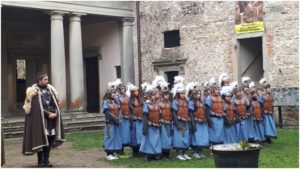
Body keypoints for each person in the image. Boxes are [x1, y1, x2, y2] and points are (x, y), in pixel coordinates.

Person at [22, 72, 65, 167]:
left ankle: (47, 160)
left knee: (49, 140)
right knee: (40, 140)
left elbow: (54, 103)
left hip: (50, 120)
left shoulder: (50, 90)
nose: (47, 81)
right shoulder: (33, 92)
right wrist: (48, 113)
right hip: (40, 121)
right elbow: (36, 108)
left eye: (47, 79)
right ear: (39, 80)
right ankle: (40, 161)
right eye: (45, 79)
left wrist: (54, 112)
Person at [139, 85, 162, 161]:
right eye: (152, 95)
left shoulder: (158, 104)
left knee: (156, 141)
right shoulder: (147, 104)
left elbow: (160, 114)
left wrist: (160, 121)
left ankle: (154, 155)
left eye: (155, 95)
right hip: (150, 126)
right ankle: (149, 156)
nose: (154, 96)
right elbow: (145, 116)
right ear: (149, 96)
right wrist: (144, 128)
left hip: (156, 125)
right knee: (150, 141)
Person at [188, 85, 210, 159]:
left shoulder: (202, 101)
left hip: (203, 122)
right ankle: (195, 152)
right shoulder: (191, 102)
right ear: (194, 94)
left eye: (200, 93)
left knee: (202, 138)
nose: (199, 95)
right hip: (196, 122)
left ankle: (200, 152)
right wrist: (193, 123)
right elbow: (190, 113)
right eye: (197, 94)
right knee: (196, 138)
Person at [102, 81, 122, 160]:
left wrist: (119, 118)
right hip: (110, 123)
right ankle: (108, 153)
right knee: (109, 137)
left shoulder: (116, 101)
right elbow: (107, 112)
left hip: (116, 123)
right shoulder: (106, 102)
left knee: (116, 138)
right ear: (109, 93)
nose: (114, 94)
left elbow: (119, 110)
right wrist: (115, 119)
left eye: (115, 93)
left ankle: (113, 152)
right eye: (112, 93)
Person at [171, 82, 191, 161]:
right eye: (181, 93)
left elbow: (188, 111)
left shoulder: (186, 101)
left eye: (184, 93)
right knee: (179, 138)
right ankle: (179, 153)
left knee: (186, 137)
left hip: (185, 121)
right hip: (179, 122)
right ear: (178, 93)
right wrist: (177, 123)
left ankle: (184, 153)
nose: (183, 94)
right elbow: (174, 113)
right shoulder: (175, 102)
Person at [114, 79, 131, 157]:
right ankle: (119, 150)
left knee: (125, 134)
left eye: (124, 88)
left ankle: (122, 149)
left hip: (127, 117)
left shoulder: (127, 97)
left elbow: (129, 106)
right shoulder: (117, 97)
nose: (123, 90)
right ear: (119, 89)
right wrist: (119, 117)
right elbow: (117, 107)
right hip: (121, 117)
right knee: (120, 134)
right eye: (121, 89)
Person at [206, 78, 224, 145]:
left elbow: (223, 108)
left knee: (219, 134)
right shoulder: (209, 98)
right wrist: (209, 120)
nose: (218, 91)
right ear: (213, 90)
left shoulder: (220, 98)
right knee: (213, 133)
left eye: (218, 89)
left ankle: (219, 146)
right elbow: (207, 111)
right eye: (216, 89)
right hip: (213, 118)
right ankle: (212, 146)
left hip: (220, 119)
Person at [259, 78, 277, 144]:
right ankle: (265, 138)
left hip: (270, 113)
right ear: (264, 89)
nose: (269, 89)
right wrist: (264, 111)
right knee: (266, 126)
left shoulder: (271, 96)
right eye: (267, 88)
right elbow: (260, 105)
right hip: (265, 114)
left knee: (270, 126)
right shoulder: (262, 97)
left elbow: (271, 104)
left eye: (269, 88)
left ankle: (269, 137)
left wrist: (272, 111)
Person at [158, 83, 173, 160]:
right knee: (163, 139)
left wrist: (170, 119)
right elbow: (158, 114)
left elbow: (171, 112)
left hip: (169, 123)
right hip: (162, 123)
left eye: (168, 94)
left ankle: (167, 154)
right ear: (162, 95)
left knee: (169, 138)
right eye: (165, 94)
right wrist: (161, 120)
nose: (167, 96)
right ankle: (162, 155)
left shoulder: (170, 103)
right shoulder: (159, 103)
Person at [128, 84, 143, 157]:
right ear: (132, 92)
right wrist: (133, 117)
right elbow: (129, 111)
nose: (136, 92)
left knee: (140, 135)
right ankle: (134, 151)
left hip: (140, 121)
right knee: (134, 135)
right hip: (133, 121)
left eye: (137, 91)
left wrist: (141, 116)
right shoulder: (129, 101)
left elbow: (142, 109)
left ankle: (140, 150)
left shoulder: (140, 100)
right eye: (135, 91)